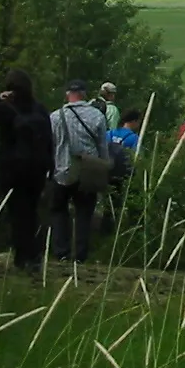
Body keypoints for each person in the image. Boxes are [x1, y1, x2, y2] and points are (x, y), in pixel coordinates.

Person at [0, 69, 51, 273]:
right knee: (31, 211)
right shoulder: (40, 110)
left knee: (17, 213)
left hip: (12, 167)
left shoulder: (5, 109)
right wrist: (49, 166)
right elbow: (48, 139)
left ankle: (22, 256)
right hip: (36, 169)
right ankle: (34, 255)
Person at [49, 79, 109, 264]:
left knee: (59, 210)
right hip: (88, 171)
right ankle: (81, 255)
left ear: (67, 94)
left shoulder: (55, 116)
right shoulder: (97, 116)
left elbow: (50, 145)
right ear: (84, 94)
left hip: (62, 170)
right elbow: (102, 146)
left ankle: (61, 251)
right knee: (84, 213)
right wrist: (104, 166)